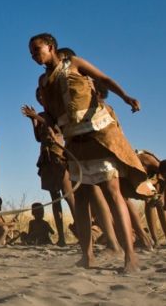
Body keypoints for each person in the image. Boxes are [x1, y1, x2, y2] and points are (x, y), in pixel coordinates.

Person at [29, 32, 147, 272]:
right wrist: (47, 125)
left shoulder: (74, 63)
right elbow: (50, 112)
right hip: (74, 142)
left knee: (112, 194)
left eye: (37, 50)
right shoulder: (43, 82)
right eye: (31, 52)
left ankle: (130, 257)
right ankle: (88, 255)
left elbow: (103, 77)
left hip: (97, 135)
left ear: (51, 47)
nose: (33, 55)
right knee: (81, 198)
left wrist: (125, 97)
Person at [21, 100, 76, 247]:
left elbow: (56, 129)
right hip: (46, 158)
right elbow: (38, 138)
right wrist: (33, 120)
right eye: (39, 95)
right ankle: (62, 238)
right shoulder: (39, 115)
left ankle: (83, 233)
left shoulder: (57, 113)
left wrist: (36, 117)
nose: (40, 97)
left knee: (68, 195)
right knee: (55, 198)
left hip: (58, 154)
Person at [136, 149, 166, 248]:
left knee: (161, 204)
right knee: (149, 203)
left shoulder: (161, 169)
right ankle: (155, 240)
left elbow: (164, 181)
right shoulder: (144, 161)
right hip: (142, 174)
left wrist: (160, 194)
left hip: (152, 175)